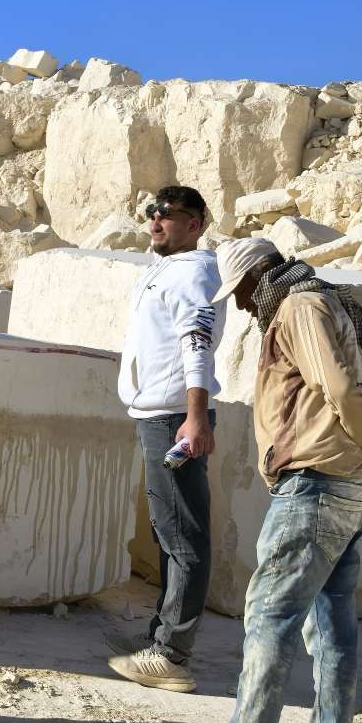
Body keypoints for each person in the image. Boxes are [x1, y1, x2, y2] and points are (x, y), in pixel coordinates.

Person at [170, 237, 362, 723]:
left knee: (270, 617)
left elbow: (340, 387)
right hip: (348, 482)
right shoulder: (325, 300)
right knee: (331, 624)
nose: (241, 305)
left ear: (258, 277)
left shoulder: (299, 306)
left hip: (318, 483)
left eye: (241, 292)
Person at [106, 184, 223, 692]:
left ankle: (171, 655)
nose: (155, 221)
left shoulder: (194, 271)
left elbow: (197, 343)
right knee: (168, 529)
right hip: (156, 416)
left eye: (168, 214)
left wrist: (195, 418)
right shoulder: (164, 268)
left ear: (194, 224)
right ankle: (162, 637)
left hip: (174, 419)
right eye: (152, 212)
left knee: (183, 533)